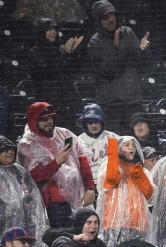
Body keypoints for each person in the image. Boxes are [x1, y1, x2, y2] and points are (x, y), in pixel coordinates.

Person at [17, 102, 95, 228]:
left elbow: (83, 161)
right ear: (33, 121)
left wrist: (90, 188)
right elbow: (32, 177)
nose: (49, 122)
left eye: (50, 118)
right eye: (43, 120)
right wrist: (56, 163)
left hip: (79, 198)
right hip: (54, 205)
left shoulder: (64, 134)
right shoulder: (26, 144)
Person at [87, 0, 151, 134]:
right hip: (110, 104)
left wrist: (143, 50)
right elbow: (107, 72)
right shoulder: (94, 42)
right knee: (112, 146)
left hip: (133, 101)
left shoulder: (127, 32)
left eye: (112, 15)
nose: (110, 20)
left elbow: (141, 63)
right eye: (105, 17)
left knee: (138, 141)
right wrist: (115, 48)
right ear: (99, 21)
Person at [96, 135, 154, 247]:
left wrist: (138, 173)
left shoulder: (139, 169)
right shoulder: (108, 165)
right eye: (126, 145)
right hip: (115, 223)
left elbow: (150, 195)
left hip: (138, 223)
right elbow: (110, 180)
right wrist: (112, 152)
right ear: (117, 148)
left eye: (133, 145)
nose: (131, 148)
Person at [0, 136, 49, 247]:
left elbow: (33, 197)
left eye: (12, 149)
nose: (10, 152)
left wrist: (27, 204)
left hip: (23, 223)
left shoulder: (20, 172)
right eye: (5, 150)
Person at [28, 17, 83, 122]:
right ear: (42, 32)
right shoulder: (35, 52)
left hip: (66, 101)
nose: (53, 32)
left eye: (55, 29)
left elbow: (72, 70)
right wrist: (65, 54)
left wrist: (73, 54)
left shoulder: (61, 48)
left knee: (68, 133)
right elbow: (47, 72)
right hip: (48, 101)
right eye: (49, 29)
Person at [43, 208, 108, 247]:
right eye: (89, 222)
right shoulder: (69, 236)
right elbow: (46, 236)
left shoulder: (100, 245)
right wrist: (74, 237)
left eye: (96, 222)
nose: (93, 226)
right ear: (81, 224)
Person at [77, 103, 119, 179]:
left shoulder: (113, 137)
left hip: (110, 182)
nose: (93, 126)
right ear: (85, 124)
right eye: (90, 123)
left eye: (96, 122)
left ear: (101, 122)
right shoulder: (79, 141)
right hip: (90, 185)